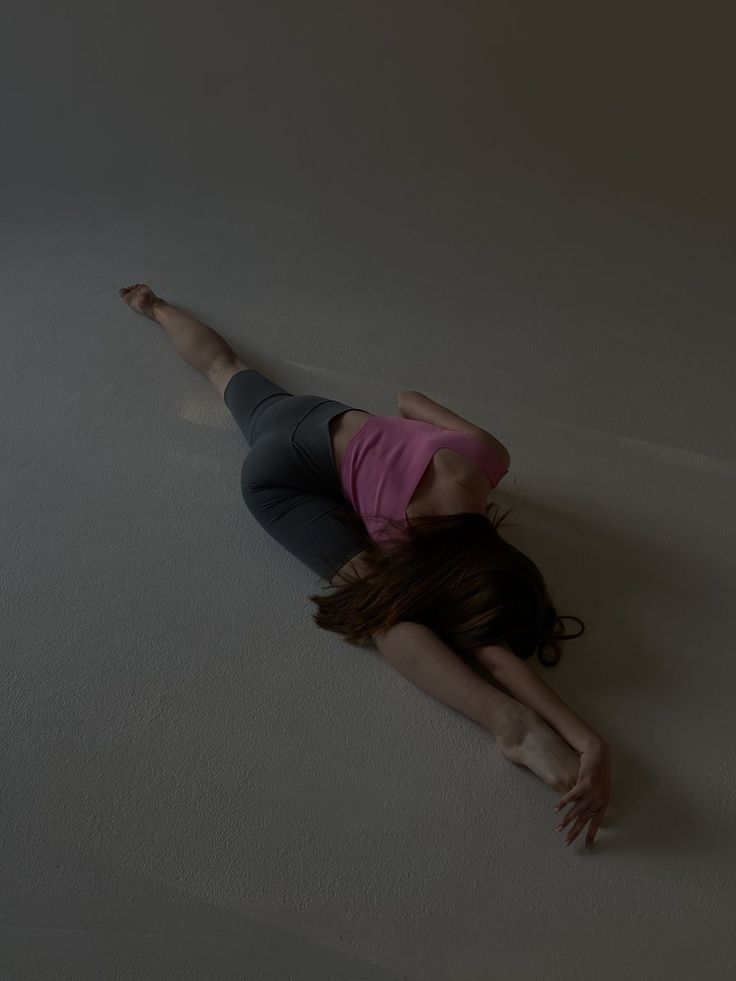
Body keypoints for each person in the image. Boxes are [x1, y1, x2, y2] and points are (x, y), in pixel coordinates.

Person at [119, 283, 612, 849]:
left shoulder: (484, 455)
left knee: (222, 367)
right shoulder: (399, 543)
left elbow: (407, 398)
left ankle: (151, 307)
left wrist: (155, 304)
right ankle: (506, 722)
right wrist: (588, 739)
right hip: (277, 488)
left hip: (298, 419)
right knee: (387, 615)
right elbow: (493, 659)